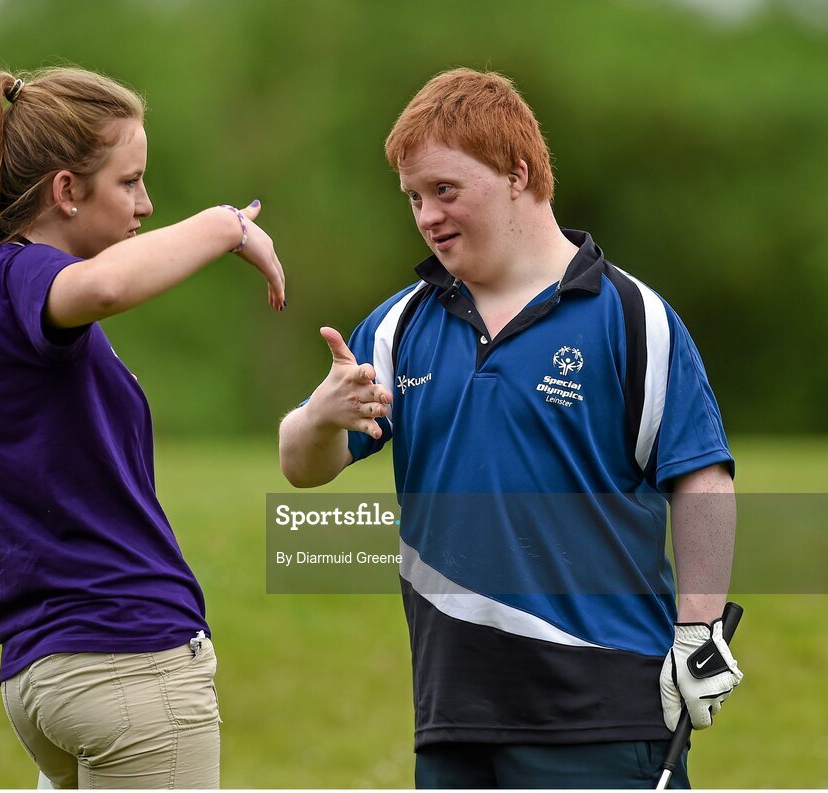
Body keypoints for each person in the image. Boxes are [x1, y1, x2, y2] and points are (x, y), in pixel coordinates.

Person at [278, 68, 742, 788]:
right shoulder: (400, 326)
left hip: (606, 714)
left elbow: (701, 474)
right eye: (413, 197)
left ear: (517, 172)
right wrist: (317, 418)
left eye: (445, 189)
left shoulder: (633, 319)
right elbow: (302, 464)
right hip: (452, 716)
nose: (427, 214)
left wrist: (699, 630)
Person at [0, 66, 285, 789]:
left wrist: (42, 637)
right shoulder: (24, 280)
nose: (146, 203)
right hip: (132, 663)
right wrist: (226, 225)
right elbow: (104, 286)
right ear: (66, 191)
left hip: (39, 682)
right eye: (129, 182)